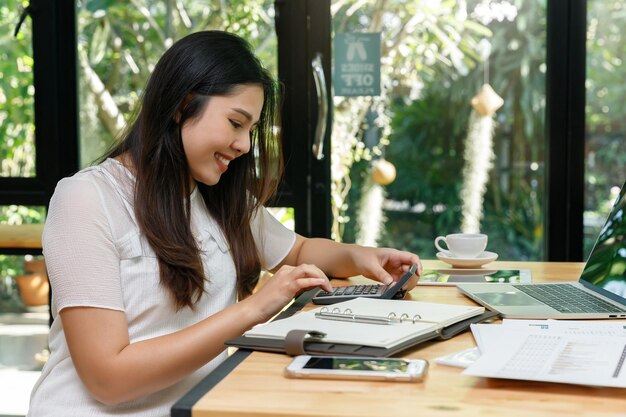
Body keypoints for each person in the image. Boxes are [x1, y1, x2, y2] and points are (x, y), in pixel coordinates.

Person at [27, 30, 422, 417]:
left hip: (200, 407)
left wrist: (362, 255)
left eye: (251, 130)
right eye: (236, 123)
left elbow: (298, 250)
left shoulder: (215, 197)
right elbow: (108, 379)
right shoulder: (86, 199)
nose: (245, 145)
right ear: (182, 105)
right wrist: (256, 308)